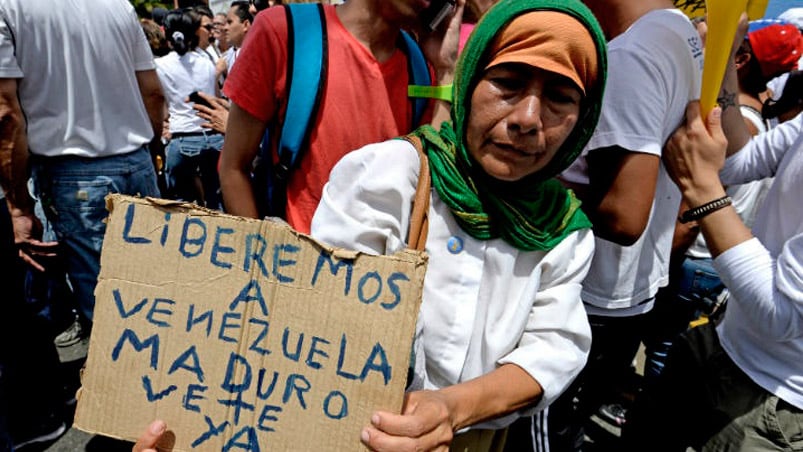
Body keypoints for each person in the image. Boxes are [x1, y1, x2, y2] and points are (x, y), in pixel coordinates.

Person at [133, 0, 607, 450]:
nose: (527, 118)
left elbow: (555, 345)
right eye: (506, 82)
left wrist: (452, 410)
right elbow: (318, 337)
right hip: (351, 430)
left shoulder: (564, 229)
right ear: (469, 83)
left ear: (583, 122)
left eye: (561, 97)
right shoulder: (387, 177)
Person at [507, 0, 705, 450]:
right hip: (628, 294)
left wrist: (522, 186)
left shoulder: (629, 58)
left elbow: (624, 214)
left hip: (587, 299)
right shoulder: (680, 33)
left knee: (537, 436)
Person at [622, 67, 803, 452]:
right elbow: (740, 162)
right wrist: (725, 63)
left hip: (775, 397)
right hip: (723, 338)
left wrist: (702, 189)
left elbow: (781, 314)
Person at [217, 0, 461, 234]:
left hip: (381, 272)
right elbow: (232, 168)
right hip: (294, 267)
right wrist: (262, 257)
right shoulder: (284, 32)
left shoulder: (422, 64)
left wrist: (446, 70)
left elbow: (432, 182)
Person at [0, 0, 165, 334]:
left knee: (112, 320)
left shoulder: (9, 7)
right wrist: (149, 151)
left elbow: (6, 113)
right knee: (159, 297)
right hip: (137, 161)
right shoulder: (116, 5)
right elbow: (153, 93)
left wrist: (17, 206)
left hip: (74, 176)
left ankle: (124, 382)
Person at [156, 8, 224, 210]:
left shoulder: (160, 65)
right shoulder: (207, 63)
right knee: (217, 202)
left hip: (182, 137)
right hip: (214, 137)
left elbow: (161, 102)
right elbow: (216, 99)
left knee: (180, 205)